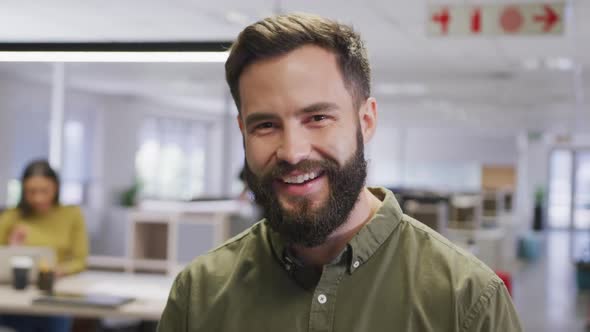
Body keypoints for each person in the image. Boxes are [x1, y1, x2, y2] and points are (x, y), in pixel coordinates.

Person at [158, 13, 522, 331]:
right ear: (243, 132)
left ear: (366, 122)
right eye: (266, 125)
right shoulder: (199, 294)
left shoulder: (468, 301)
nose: (292, 152)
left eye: (317, 118)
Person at [0, 159, 89, 332]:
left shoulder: (72, 214)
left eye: (44, 191)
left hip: (54, 294)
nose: (38, 198)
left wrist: (61, 270)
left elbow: (80, 260)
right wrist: (12, 248)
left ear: (55, 188)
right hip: (16, 294)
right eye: (31, 192)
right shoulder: (13, 215)